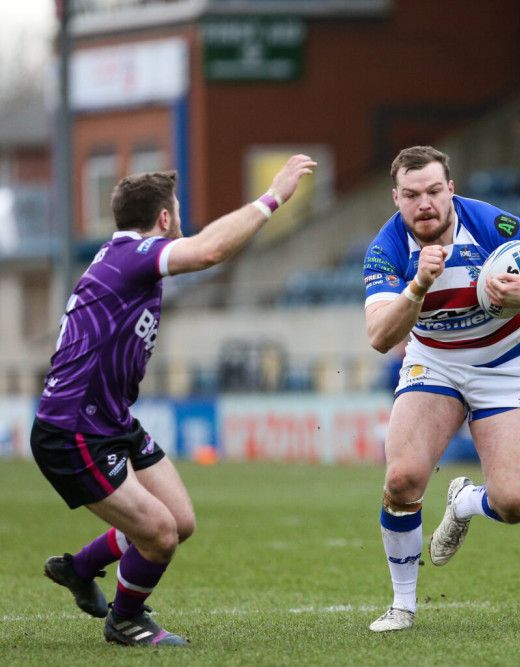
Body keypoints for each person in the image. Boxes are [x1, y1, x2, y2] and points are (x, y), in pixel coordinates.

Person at [32, 155, 317, 645]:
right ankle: (125, 621)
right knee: (159, 534)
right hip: (73, 428)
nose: (181, 219)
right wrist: (273, 198)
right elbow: (209, 250)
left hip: (110, 419)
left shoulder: (118, 254)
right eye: (179, 210)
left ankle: (78, 568)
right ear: (164, 218)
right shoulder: (134, 255)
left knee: (178, 521)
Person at [363, 146, 520, 632]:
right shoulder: (387, 247)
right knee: (401, 479)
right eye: (411, 195)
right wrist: (417, 286)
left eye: (433, 191)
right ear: (396, 198)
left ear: (451, 190)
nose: (424, 203)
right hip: (435, 363)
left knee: (516, 505)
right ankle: (403, 604)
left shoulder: (490, 224)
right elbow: (380, 337)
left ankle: (465, 502)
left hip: (507, 367)